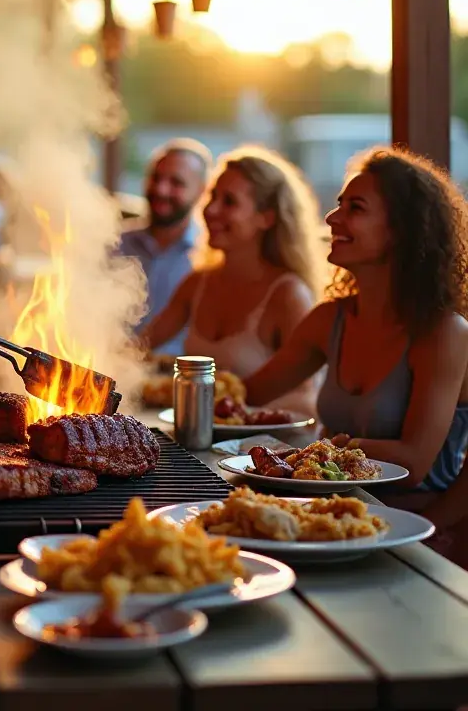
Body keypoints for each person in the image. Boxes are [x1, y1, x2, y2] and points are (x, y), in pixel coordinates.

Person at [244, 148, 468, 504]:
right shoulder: (329, 319)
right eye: (339, 204)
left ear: (402, 230)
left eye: (356, 208)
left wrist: (327, 446)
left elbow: (415, 463)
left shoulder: (443, 332)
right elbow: (248, 395)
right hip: (334, 509)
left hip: (420, 528)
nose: (332, 218)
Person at [143, 145, 326, 417]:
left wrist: (223, 410)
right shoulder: (198, 283)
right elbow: (140, 349)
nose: (211, 210)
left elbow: (307, 400)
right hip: (206, 443)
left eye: (229, 201)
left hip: (268, 449)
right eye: (212, 196)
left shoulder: (288, 294)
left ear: (266, 217)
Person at [114, 138, 212, 355]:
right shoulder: (114, 245)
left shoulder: (208, 257)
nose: (161, 189)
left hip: (180, 382)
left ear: (201, 191)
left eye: (176, 183)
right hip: (112, 375)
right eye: (156, 178)